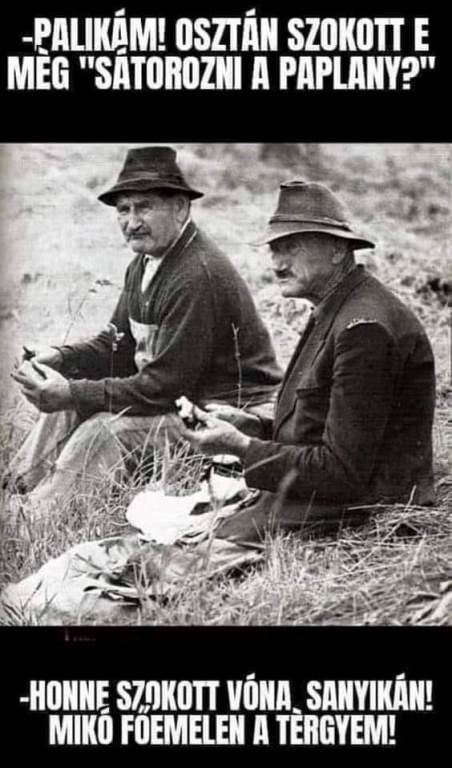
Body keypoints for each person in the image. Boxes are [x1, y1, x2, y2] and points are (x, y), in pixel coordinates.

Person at [6, 146, 282, 515]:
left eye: (144, 207)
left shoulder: (197, 274)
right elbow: (116, 345)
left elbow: (164, 387)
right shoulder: (146, 262)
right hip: (178, 403)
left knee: (103, 429)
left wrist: (71, 392)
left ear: (180, 208)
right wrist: (60, 358)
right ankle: (16, 488)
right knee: (65, 407)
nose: (132, 222)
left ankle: (37, 515)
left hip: (224, 418)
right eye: (124, 209)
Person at [182, 180, 436, 544]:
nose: (277, 264)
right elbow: (325, 427)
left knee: (188, 551)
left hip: (362, 508)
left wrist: (241, 447)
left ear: (337, 249)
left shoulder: (364, 330)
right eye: (273, 249)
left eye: (291, 247)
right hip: (332, 494)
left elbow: (342, 472)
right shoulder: (339, 306)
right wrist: (253, 426)